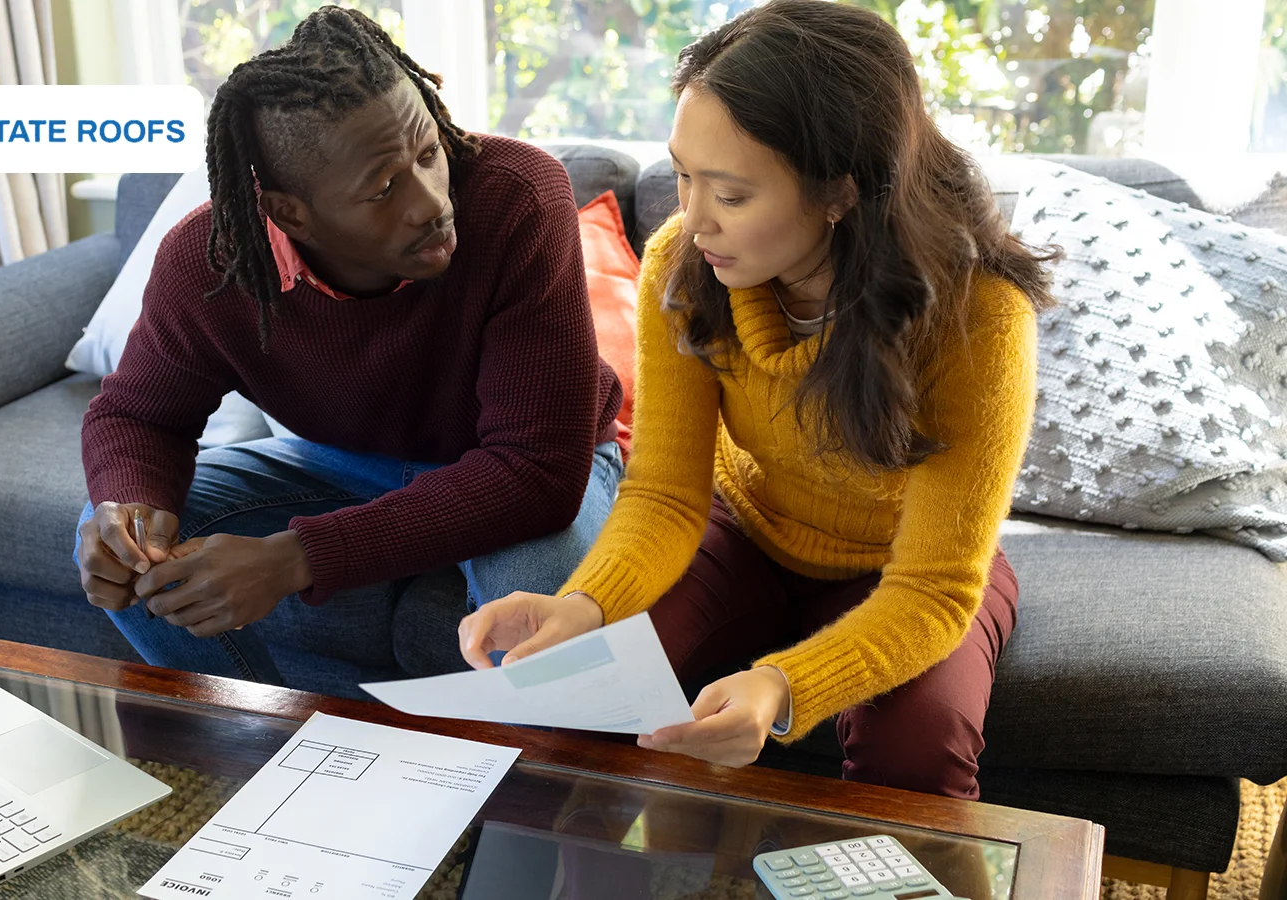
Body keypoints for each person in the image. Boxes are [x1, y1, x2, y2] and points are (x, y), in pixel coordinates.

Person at [458, 0, 1056, 800]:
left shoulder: (978, 315)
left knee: (919, 749)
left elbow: (935, 586)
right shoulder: (681, 262)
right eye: (681, 176)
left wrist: (781, 687)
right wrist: (584, 604)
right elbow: (668, 493)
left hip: (903, 566)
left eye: (731, 195)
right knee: (584, 690)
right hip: (744, 531)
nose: (690, 218)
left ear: (840, 191)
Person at [76, 7, 623, 695]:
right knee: (136, 555)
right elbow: (138, 415)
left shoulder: (518, 197)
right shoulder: (209, 262)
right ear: (291, 212)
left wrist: (293, 558)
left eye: (430, 154)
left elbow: (537, 472)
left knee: (536, 624)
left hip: (538, 465)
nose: (431, 201)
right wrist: (125, 507)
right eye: (385, 188)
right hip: (342, 464)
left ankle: (544, 798)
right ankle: (262, 750)